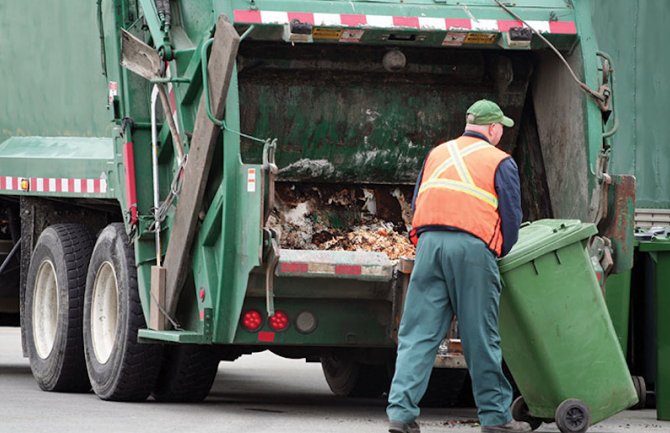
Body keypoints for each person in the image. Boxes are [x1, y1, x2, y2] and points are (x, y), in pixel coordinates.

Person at [386, 100, 527, 433]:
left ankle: (401, 414)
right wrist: (499, 251)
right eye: (501, 128)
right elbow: (511, 217)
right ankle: (495, 418)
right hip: (472, 250)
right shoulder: (500, 160)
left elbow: (419, 199)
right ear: (493, 129)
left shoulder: (438, 153)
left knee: (418, 335)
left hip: (430, 245)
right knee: (480, 336)